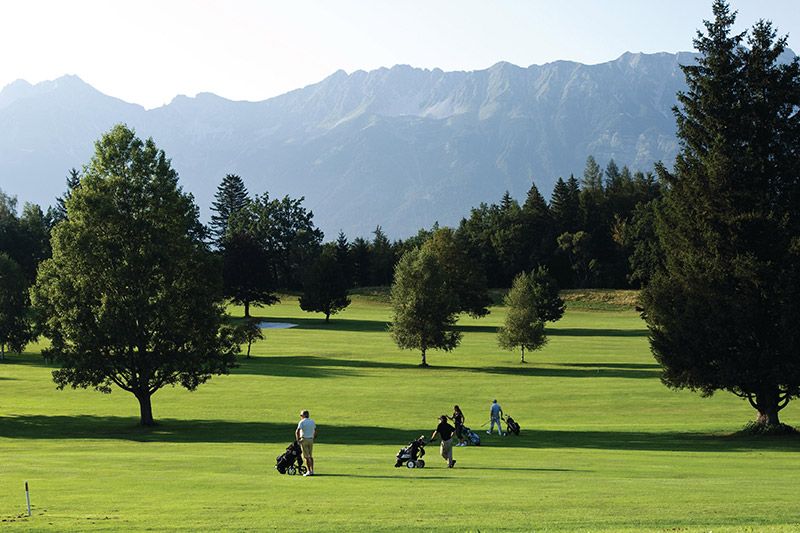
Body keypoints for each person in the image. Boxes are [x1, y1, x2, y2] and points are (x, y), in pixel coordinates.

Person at [295, 409, 317, 476]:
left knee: (306, 457)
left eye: (301, 415)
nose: (301, 416)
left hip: (304, 439)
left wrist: (298, 440)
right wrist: (313, 437)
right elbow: (315, 431)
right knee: (310, 456)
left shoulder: (302, 422)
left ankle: (308, 471)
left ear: (304, 415)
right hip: (311, 439)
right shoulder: (312, 421)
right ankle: (312, 470)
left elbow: (297, 431)